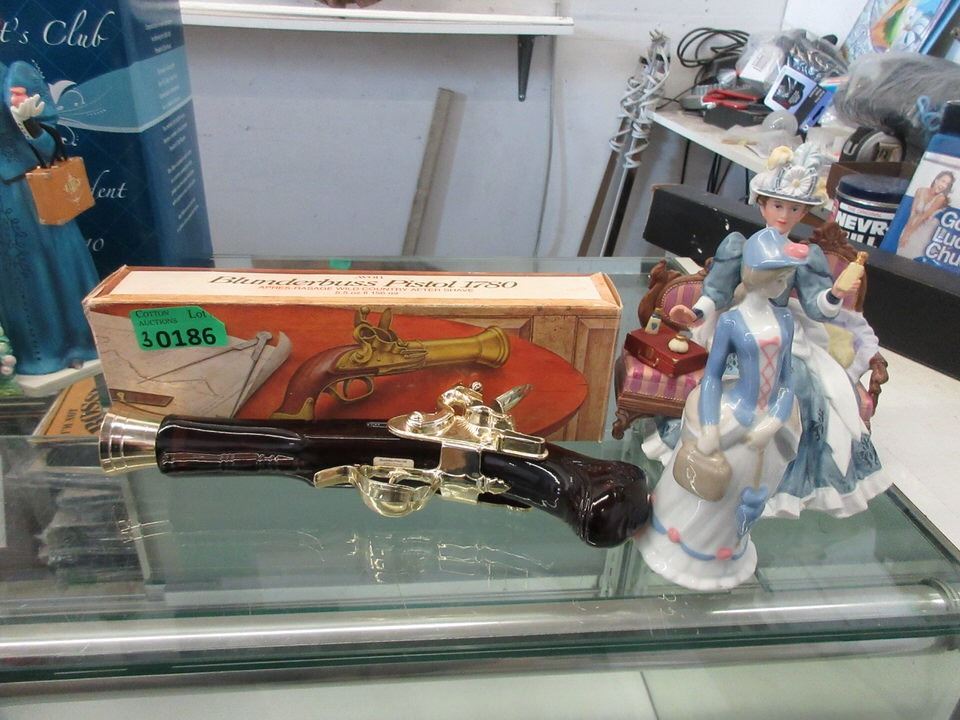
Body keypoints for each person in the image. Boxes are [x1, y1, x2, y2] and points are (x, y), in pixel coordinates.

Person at [650, 144, 888, 519]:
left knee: (808, 389)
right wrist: (694, 312)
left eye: (794, 209)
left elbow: (815, 306)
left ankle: (782, 481)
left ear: (804, 213)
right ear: (762, 205)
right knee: (723, 381)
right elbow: (717, 290)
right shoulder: (741, 246)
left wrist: (835, 294)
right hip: (740, 324)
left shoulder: (803, 255)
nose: (784, 215)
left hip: (781, 327)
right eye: (778, 206)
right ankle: (714, 455)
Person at [636, 230, 808, 590]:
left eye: (785, 277)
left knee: (748, 489)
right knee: (708, 478)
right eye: (777, 277)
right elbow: (712, 376)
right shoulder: (731, 322)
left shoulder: (785, 321)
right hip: (733, 412)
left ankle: (727, 551)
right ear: (756, 275)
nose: (782, 285)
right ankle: (680, 546)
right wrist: (712, 426)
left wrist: (774, 420)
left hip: (769, 419)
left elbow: (787, 378)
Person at [0, 61, 99, 375]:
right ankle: (29, 352)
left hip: (26, 194)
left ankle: (73, 345)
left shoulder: (17, 77)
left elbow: (51, 148)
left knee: (48, 268)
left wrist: (28, 124)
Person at [898, 170, 954, 259]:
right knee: (900, 252)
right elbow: (912, 213)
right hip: (912, 224)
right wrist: (906, 233)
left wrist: (908, 235)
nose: (943, 185)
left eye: (947, 184)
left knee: (912, 256)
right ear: (936, 180)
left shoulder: (941, 198)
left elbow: (924, 217)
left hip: (924, 230)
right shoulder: (920, 191)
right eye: (943, 181)